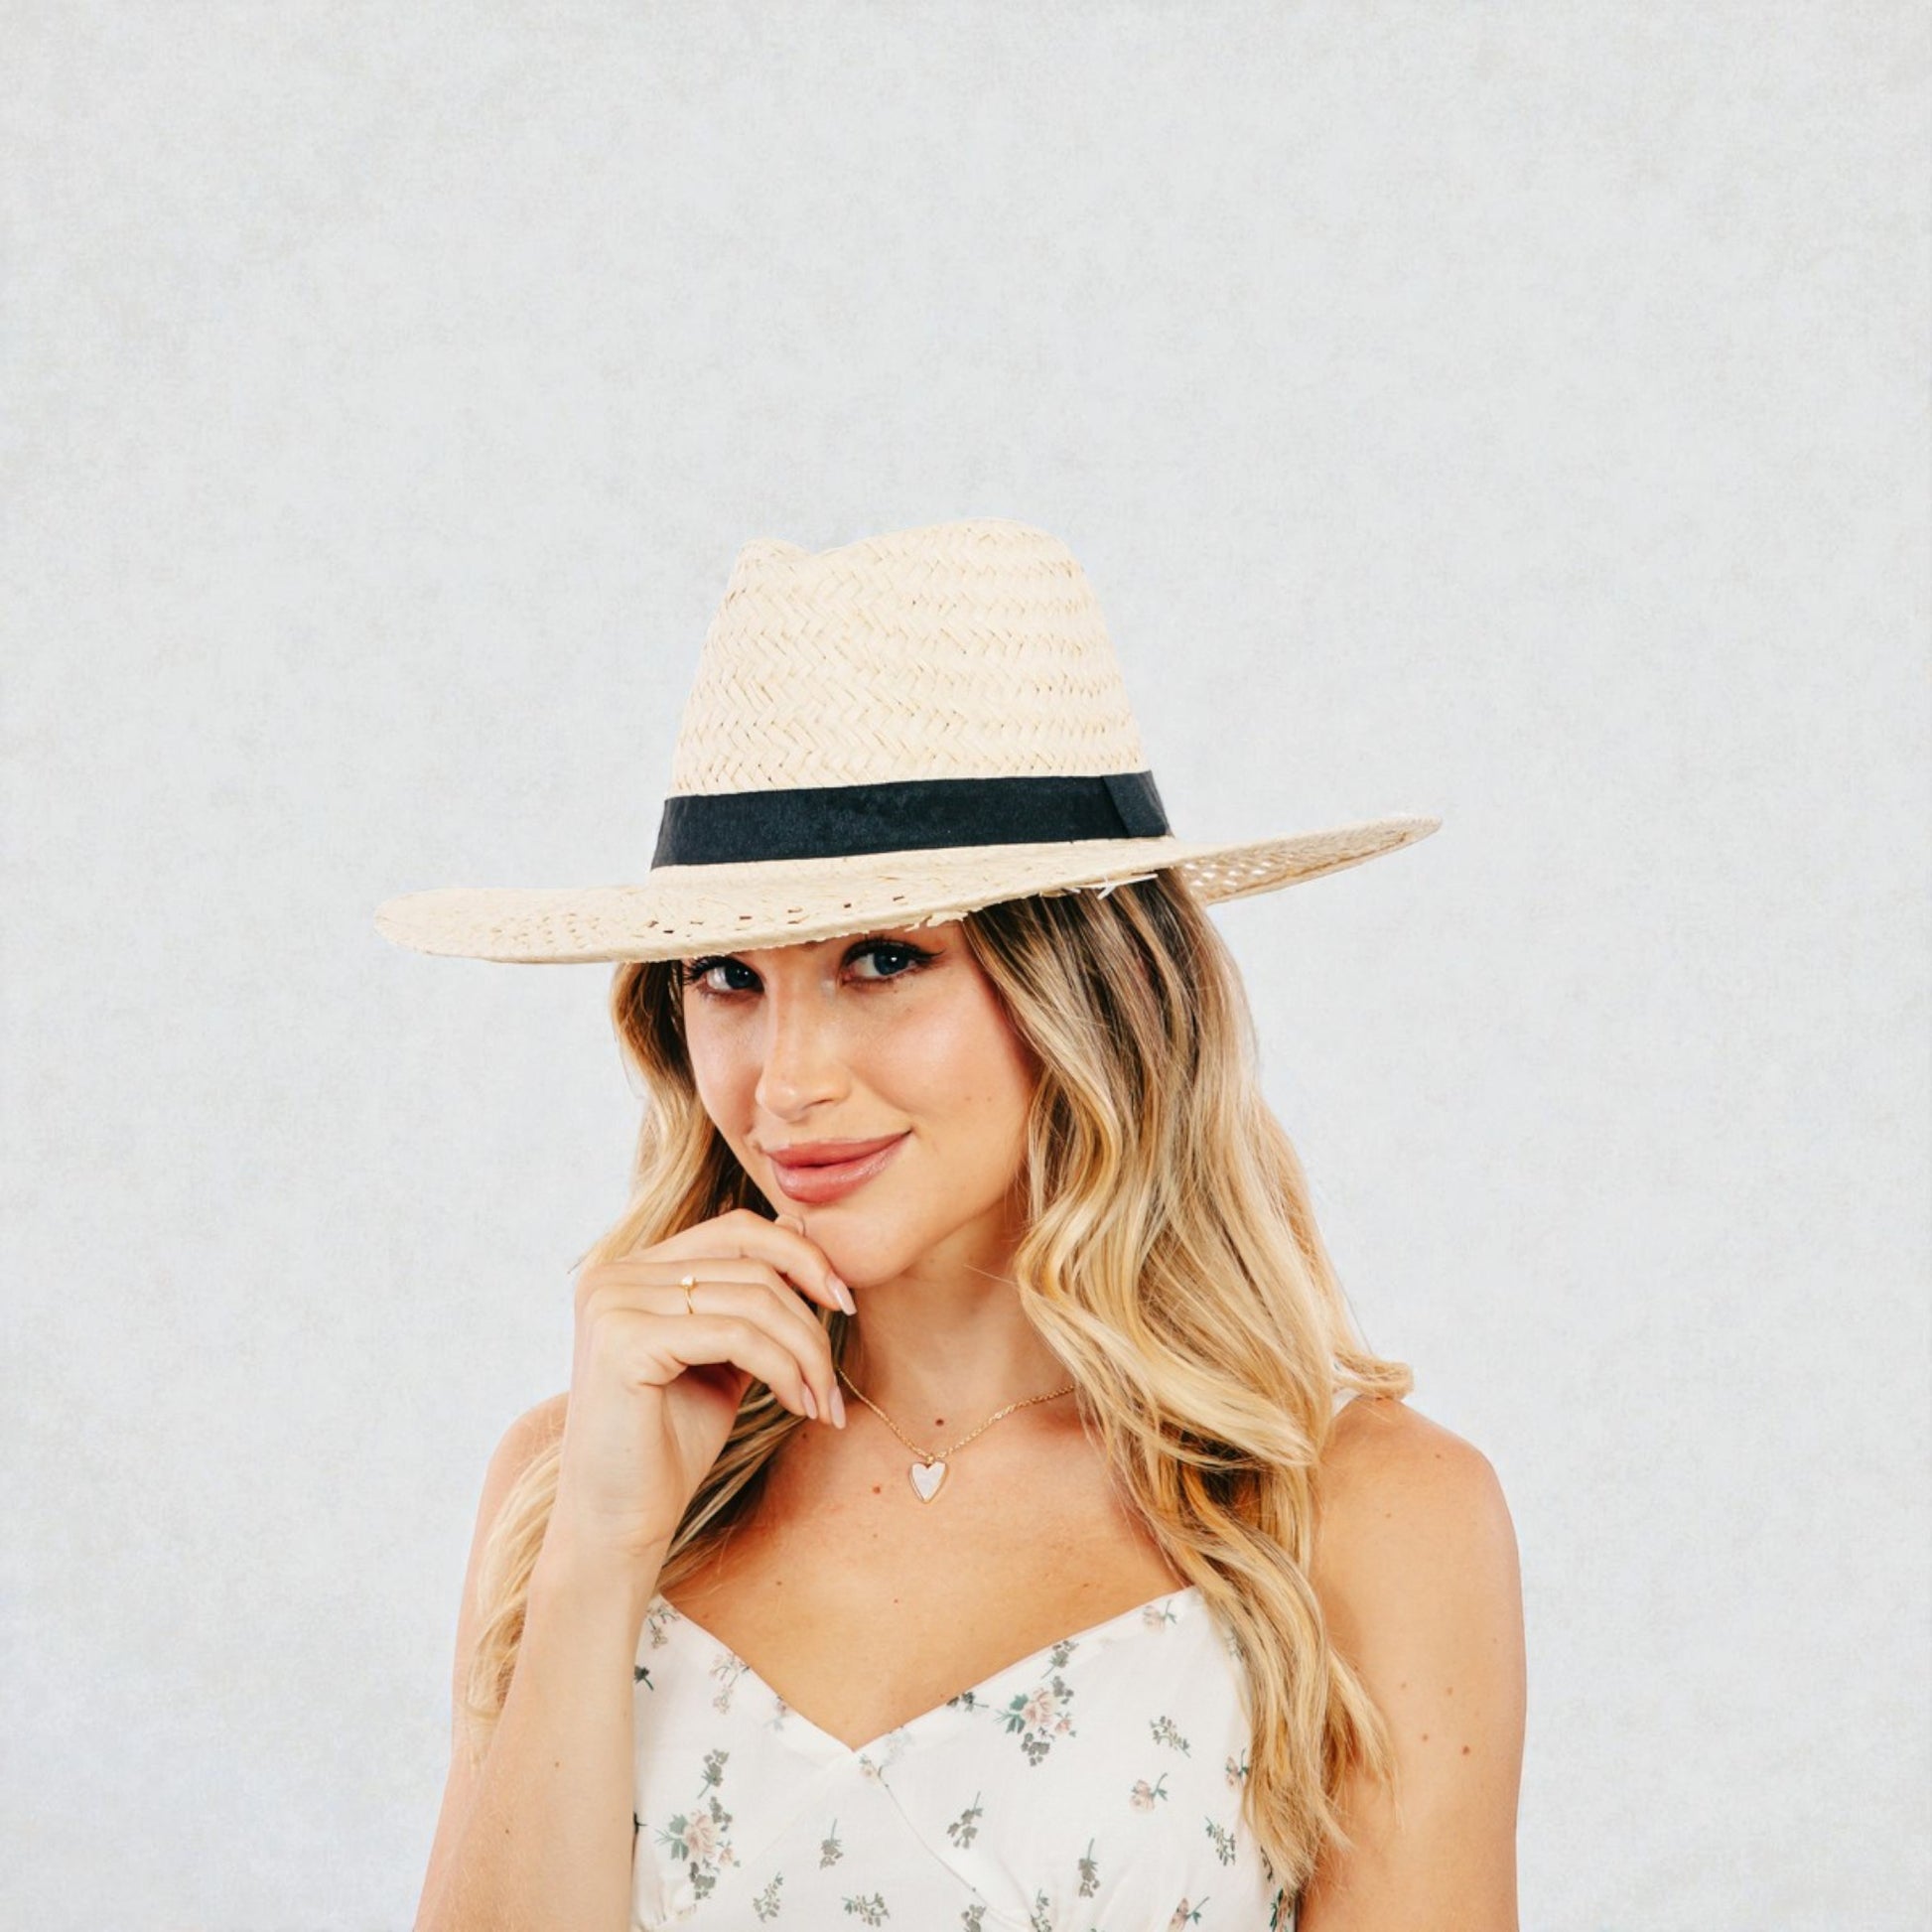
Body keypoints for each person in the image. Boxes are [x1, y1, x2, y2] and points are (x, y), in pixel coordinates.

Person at [377, 518, 1526, 1931]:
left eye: (881, 957)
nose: (785, 1079)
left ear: (1089, 994)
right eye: (726, 974)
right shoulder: (572, 1485)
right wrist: (603, 1546)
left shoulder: (1357, 1513)